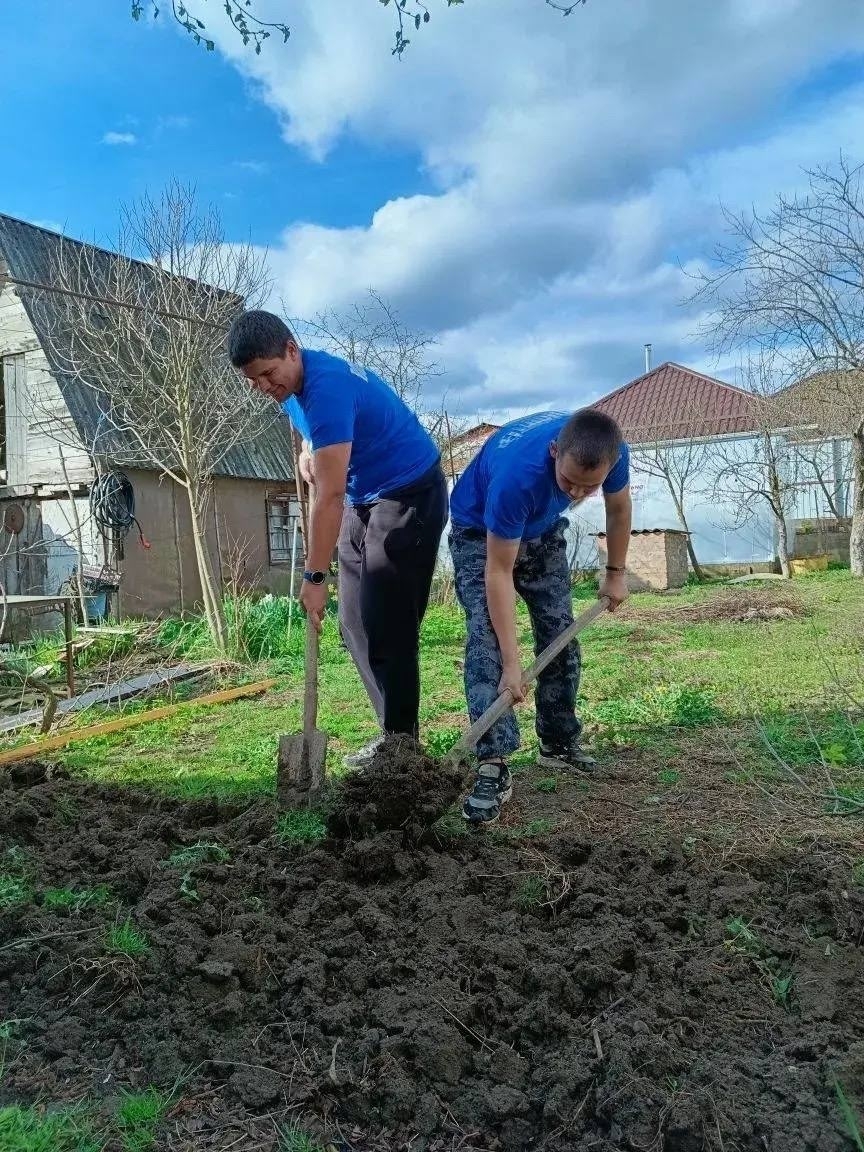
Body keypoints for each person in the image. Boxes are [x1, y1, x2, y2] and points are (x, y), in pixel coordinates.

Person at [228, 310, 448, 763]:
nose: (265, 387)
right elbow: (315, 430)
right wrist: (310, 450)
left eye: (269, 374)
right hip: (366, 495)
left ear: (292, 349)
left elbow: (327, 499)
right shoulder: (292, 387)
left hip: (409, 493)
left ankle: (403, 749)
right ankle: (394, 736)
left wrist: (313, 576)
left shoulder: (326, 388)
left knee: (389, 623)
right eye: (255, 382)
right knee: (353, 622)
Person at [448, 408, 632, 824]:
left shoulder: (614, 451)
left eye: (590, 486)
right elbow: (498, 573)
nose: (577, 494)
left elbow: (618, 509)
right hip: (481, 532)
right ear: (554, 452)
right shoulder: (518, 477)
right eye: (568, 481)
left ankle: (558, 740)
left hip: (543, 530)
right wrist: (513, 666)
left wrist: (615, 573)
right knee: (487, 644)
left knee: (559, 635)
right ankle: (493, 761)